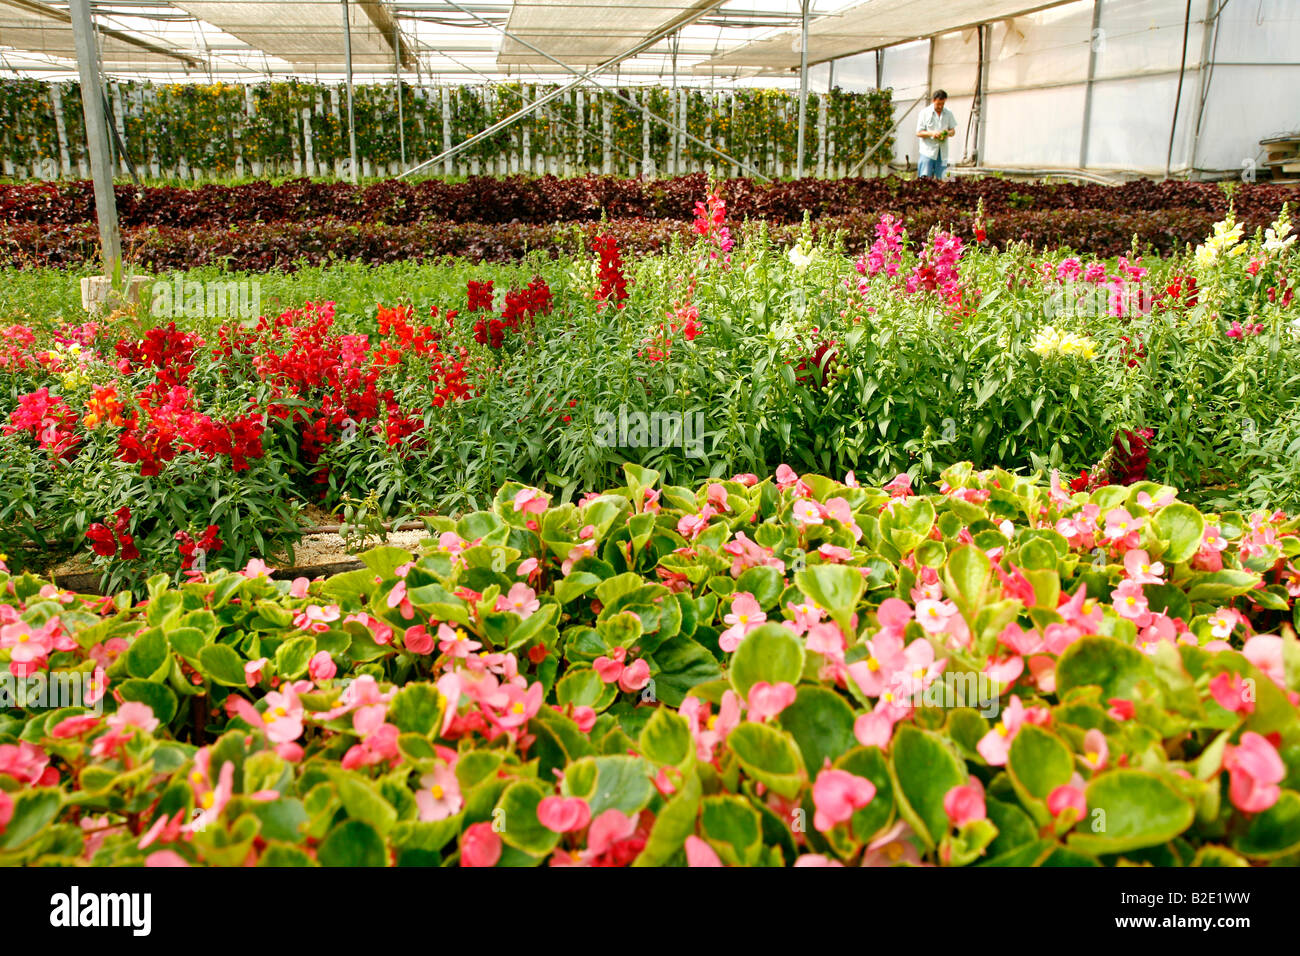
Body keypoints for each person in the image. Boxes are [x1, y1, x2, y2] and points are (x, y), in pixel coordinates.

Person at [916, 90, 957, 180]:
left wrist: (947, 133)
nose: (940, 106)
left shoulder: (948, 113)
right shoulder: (924, 113)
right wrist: (932, 133)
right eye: (938, 104)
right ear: (933, 100)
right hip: (927, 152)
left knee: (945, 181)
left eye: (942, 104)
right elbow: (918, 133)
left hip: (943, 152)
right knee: (924, 180)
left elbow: (953, 131)